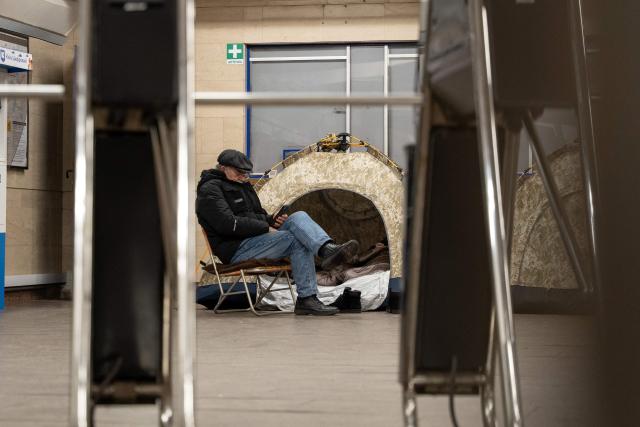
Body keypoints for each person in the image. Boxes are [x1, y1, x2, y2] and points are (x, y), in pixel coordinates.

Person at [196, 149, 359, 316]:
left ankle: (327, 249)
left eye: (246, 173)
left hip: (255, 239)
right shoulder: (209, 190)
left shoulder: (242, 185)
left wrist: (271, 219)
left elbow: (256, 214)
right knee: (294, 240)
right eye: (239, 172)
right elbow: (227, 224)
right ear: (223, 168)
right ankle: (307, 298)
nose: (244, 176)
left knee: (298, 217)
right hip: (236, 248)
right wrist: (265, 227)